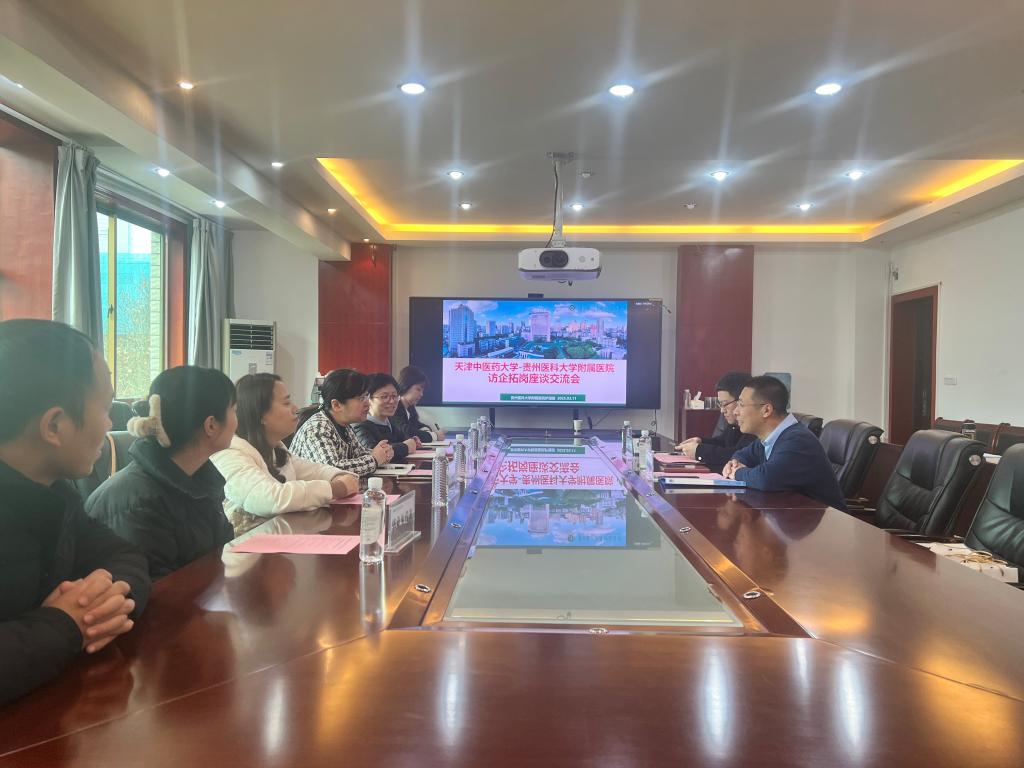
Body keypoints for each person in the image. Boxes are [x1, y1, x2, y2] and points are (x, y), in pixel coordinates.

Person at [0, 319, 150, 705]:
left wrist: (106, 601)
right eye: (105, 409)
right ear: (54, 425)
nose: (110, 425)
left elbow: (124, 555)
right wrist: (67, 625)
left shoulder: (55, 492)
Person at [86, 366, 238, 579]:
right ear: (211, 425)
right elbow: (157, 590)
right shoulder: (138, 503)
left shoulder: (200, 480)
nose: (237, 420)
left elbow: (220, 553)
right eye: (234, 410)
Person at [212, 373, 361, 536]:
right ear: (260, 414)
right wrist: (335, 488)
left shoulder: (276, 448)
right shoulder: (230, 453)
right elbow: (270, 499)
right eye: (286, 403)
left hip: (278, 541)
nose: (296, 409)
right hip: (245, 547)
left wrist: (340, 477)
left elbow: (316, 470)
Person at [722, 376, 847, 510]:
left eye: (741, 405)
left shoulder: (798, 440)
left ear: (766, 410)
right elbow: (742, 455)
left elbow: (766, 479)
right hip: (792, 516)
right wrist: (733, 464)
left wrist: (737, 473)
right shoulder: (769, 438)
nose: (735, 412)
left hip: (828, 520)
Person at [290, 368, 394, 476]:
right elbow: (331, 470)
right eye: (361, 398)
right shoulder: (318, 428)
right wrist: (374, 459)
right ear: (336, 405)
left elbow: (358, 455)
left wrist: (383, 453)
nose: (367, 403)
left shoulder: (344, 425)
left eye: (366, 396)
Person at [674, 371, 755, 472]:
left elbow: (739, 455)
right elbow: (722, 441)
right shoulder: (735, 424)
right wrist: (700, 441)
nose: (722, 410)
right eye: (720, 404)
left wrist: (699, 451)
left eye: (725, 404)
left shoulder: (754, 427)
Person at [354, 373, 421, 461]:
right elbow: (372, 454)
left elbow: (405, 440)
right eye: (385, 397)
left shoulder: (390, 421)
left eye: (394, 396)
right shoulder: (361, 426)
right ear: (368, 399)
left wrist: (413, 440)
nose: (392, 401)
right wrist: (406, 447)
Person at [394, 365, 444, 443]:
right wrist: (435, 436)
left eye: (422, 391)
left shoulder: (410, 408)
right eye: (418, 389)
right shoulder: (394, 407)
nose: (421, 394)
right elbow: (406, 431)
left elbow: (417, 425)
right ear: (405, 386)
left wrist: (426, 431)